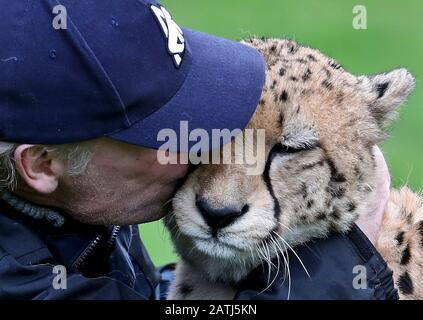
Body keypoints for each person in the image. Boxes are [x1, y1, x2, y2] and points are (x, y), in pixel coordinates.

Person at [0, 0, 396, 299]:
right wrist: (351, 261)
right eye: (166, 130)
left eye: (203, 117)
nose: (216, 195)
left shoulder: (81, 200)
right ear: (43, 164)